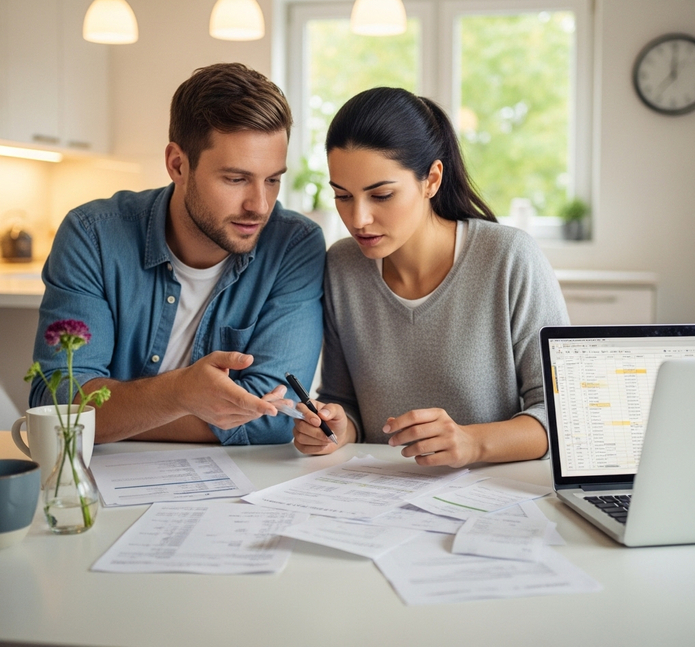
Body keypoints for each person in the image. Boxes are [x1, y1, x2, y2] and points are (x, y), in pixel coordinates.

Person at [29, 63, 325, 446]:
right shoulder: (93, 236)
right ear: (177, 164)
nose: (260, 205)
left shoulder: (294, 246)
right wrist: (179, 393)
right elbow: (59, 405)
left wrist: (110, 419)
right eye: (236, 179)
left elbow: (272, 419)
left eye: (272, 180)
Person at [292, 87, 569, 468]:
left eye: (382, 195)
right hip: (374, 498)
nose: (358, 219)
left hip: (491, 498)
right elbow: (345, 401)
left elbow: (559, 416)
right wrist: (338, 428)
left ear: (432, 179)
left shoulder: (508, 258)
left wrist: (472, 442)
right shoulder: (343, 266)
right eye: (342, 196)